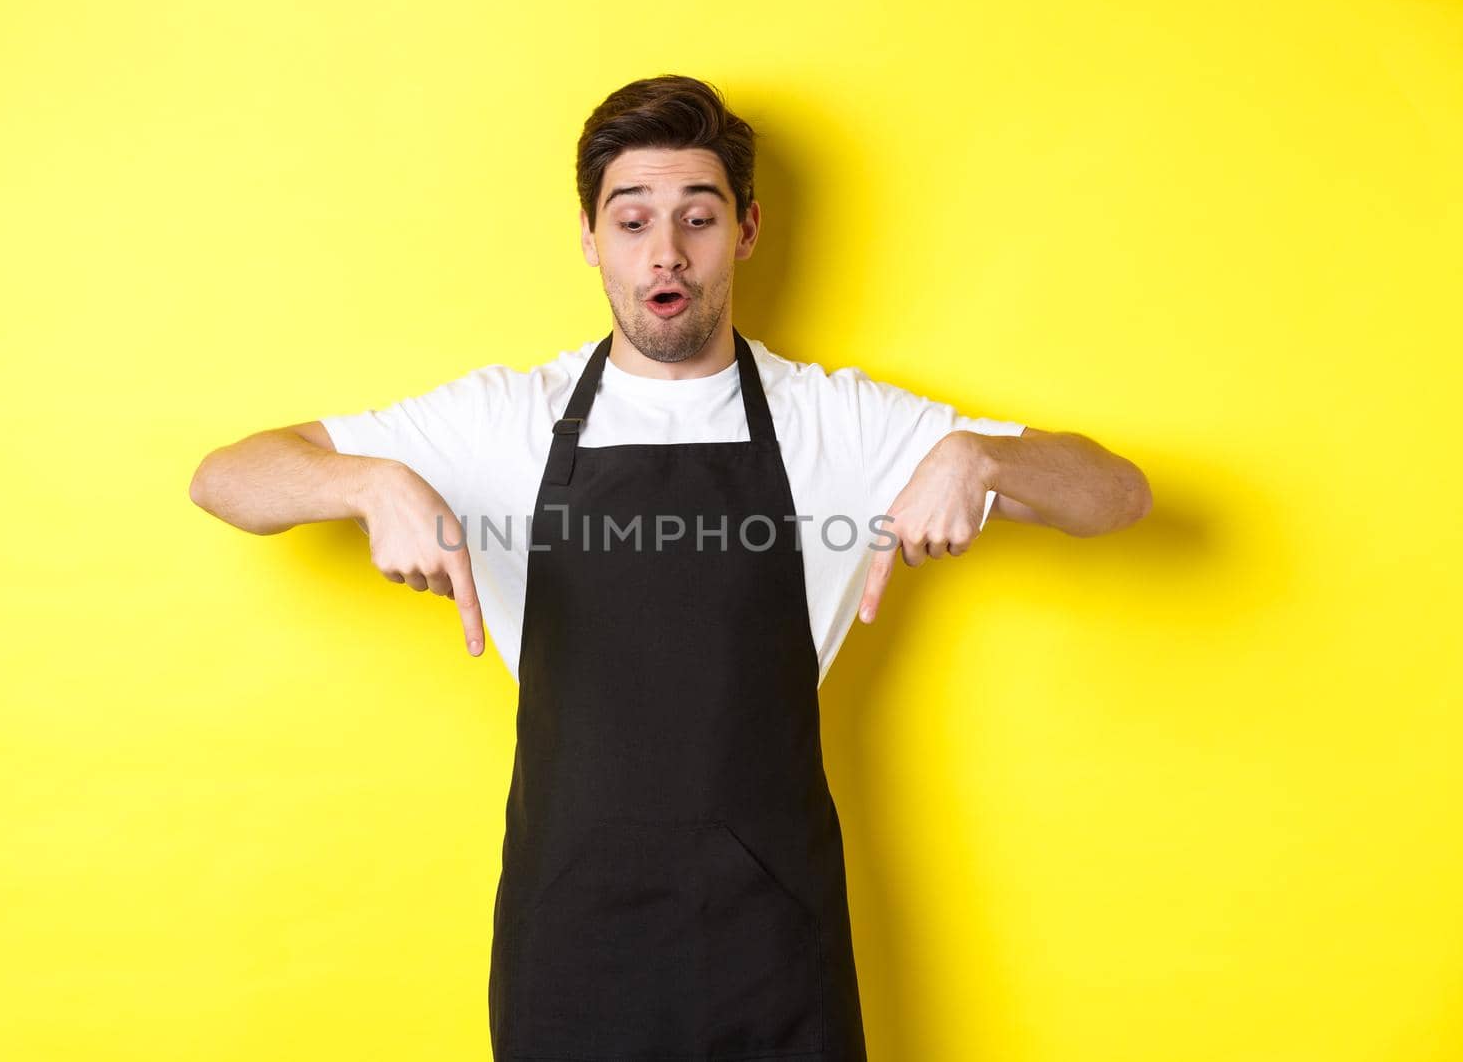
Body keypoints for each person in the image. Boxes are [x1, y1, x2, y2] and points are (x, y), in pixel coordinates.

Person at [190, 73, 1151, 1062]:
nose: (665, 251)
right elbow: (226, 478)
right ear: (589, 235)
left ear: (745, 230)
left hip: (773, 938)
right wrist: (371, 481)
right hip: (569, 935)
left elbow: (1118, 495)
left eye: (697, 216)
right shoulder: (503, 418)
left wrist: (979, 456)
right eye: (632, 217)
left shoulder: (838, 419)